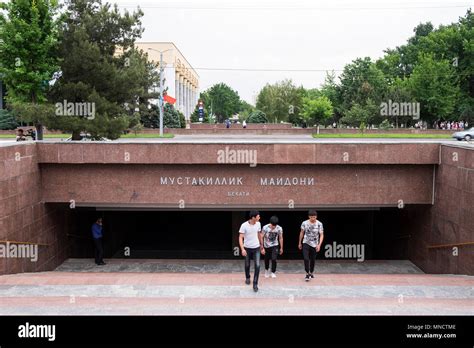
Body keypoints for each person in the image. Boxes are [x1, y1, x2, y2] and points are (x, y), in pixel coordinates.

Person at [239, 210, 264, 292]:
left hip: (256, 248)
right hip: (247, 248)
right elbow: (240, 237)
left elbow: (259, 234)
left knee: (257, 265)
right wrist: (242, 249)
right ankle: (247, 277)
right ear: (253, 217)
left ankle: (255, 284)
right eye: (258, 216)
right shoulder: (244, 225)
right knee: (247, 265)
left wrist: (262, 245)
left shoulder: (258, 224)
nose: (259, 217)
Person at [298, 210, 324, 281]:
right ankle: (307, 273)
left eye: (314, 217)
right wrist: (300, 243)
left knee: (313, 260)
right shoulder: (304, 223)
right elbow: (302, 233)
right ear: (309, 217)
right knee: (306, 258)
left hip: (315, 244)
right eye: (312, 217)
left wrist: (319, 245)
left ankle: (311, 272)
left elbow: (321, 235)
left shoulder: (319, 224)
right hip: (306, 242)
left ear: (316, 217)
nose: (313, 218)